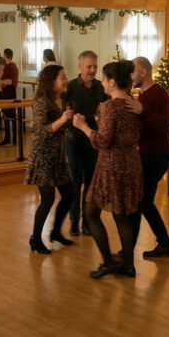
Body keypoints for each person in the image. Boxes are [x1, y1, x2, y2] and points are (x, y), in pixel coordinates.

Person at [73, 60, 142, 279]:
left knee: (91, 212)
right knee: (122, 216)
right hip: (131, 163)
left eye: (104, 79)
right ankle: (128, 265)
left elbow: (102, 141)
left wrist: (83, 127)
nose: (101, 82)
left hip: (111, 166)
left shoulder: (109, 107)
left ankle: (109, 262)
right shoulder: (133, 104)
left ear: (112, 82)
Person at [25, 64, 76, 255]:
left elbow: (65, 126)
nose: (66, 80)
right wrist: (62, 120)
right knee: (47, 199)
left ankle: (55, 232)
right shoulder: (42, 102)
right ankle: (35, 239)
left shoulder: (63, 99)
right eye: (62, 77)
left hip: (58, 157)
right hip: (43, 157)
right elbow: (39, 132)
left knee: (69, 194)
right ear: (51, 81)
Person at [131, 57, 169, 258]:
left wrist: (142, 111)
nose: (130, 77)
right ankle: (164, 244)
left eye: (133, 72)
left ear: (143, 72)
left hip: (157, 155)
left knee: (141, 202)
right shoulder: (142, 95)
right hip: (146, 153)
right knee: (144, 202)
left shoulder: (160, 93)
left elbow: (164, 125)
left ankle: (160, 244)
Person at [65, 50, 107, 235]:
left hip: (93, 141)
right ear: (80, 66)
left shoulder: (101, 87)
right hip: (74, 141)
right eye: (89, 66)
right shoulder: (71, 87)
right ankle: (74, 221)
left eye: (95, 67)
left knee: (91, 184)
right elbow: (63, 110)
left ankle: (87, 222)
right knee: (75, 183)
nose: (92, 70)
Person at [0, 48, 19, 146]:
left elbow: (10, 81)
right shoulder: (13, 66)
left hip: (8, 96)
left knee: (8, 118)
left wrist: (0, 82)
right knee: (9, 117)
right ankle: (10, 139)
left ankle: (9, 139)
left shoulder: (9, 66)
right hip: (9, 95)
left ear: (5, 55)